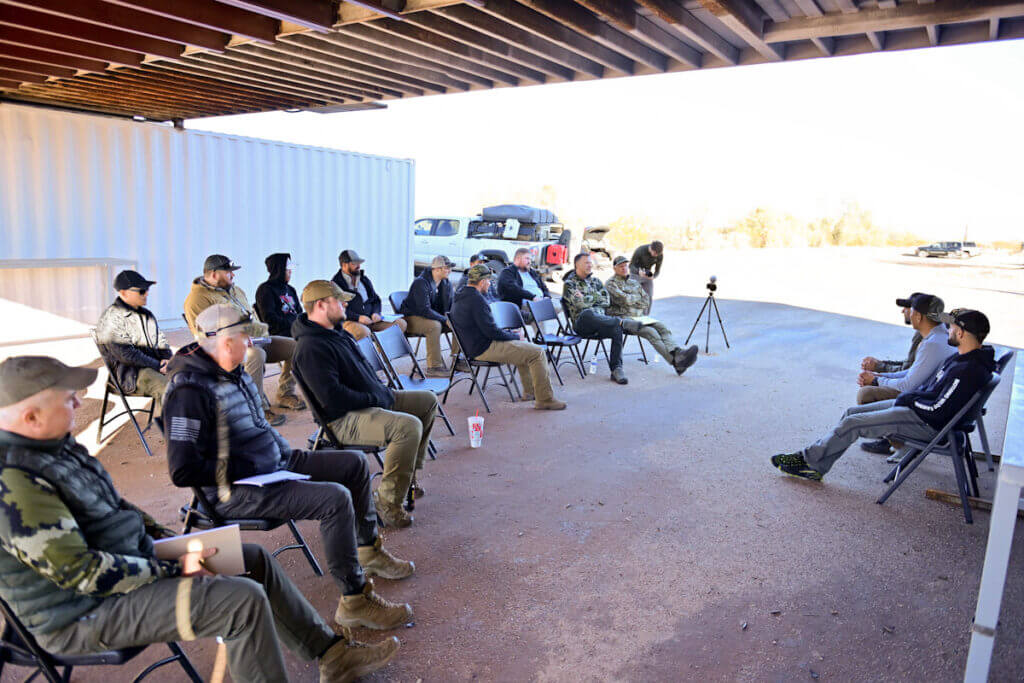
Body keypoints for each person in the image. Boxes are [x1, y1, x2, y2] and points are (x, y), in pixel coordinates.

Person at [0, 355, 399, 683]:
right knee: (240, 603)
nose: (77, 404)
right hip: (79, 612)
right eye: (68, 398)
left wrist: (174, 543)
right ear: (31, 417)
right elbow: (81, 574)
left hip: (130, 567)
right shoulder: (15, 479)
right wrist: (173, 565)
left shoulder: (53, 448)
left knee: (252, 560)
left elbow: (117, 510)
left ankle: (331, 654)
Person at [164, 304, 414, 632]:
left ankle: (368, 551)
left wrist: (274, 456)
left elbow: (255, 428)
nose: (252, 344)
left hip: (274, 465)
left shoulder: (233, 371)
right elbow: (182, 471)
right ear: (225, 343)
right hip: (239, 488)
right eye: (245, 337)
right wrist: (248, 466)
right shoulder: (189, 392)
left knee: (353, 463)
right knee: (334, 499)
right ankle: (355, 600)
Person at [770, 309, 996, 482]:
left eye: (951, 327)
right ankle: (815, 462)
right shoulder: (963, 359)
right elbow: (932, 391)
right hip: (919, 411)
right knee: (851, 412)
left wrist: (909, 399)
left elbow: (938, 409)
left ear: (961, 332)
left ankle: (809, 462)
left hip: (927, 423)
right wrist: (910, 397)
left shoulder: (967, 369)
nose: (947, 330)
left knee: (852, 423)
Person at [292, 281, 439, 529]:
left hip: (369, 401)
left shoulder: (336, 332)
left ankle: (407, 478)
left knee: (426, 401)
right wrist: (375, 398)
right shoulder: (311, 347)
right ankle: (388, 503)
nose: (345, 304)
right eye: (339, 301)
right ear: (320, 305)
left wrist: (380, 393)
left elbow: (362, 376)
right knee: (407, 427)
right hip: (342, 419)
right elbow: (334, 398)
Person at [183, 254, 305, 426]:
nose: (233, 275)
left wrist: (259, 333)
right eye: (228, 272)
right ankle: (256, 409)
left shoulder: (236, 290)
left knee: (297, 346)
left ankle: (285, 393)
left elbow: (251, 318)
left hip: (255, 339)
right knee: (255, 355)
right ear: (213, 274)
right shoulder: (197, 300)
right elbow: (204, 337)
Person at [451, 265, 566, 410]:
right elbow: (492, 332)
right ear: (481, 282)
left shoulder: (460, 294)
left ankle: (531, 393)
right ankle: (545, 399)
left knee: (526, 350)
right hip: (484, 347)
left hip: (475, 345)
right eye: (488, 281)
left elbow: (488, 328)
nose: (490, 284)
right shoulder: (476, 300)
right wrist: (514, 336)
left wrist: (512, 336)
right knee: (537, 353)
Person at [857, 293, 955, 455]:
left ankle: (900, 445)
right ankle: (896, 440)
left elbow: (908, 384)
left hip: (925, 407)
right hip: (931, 398)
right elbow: (911, 370)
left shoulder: (931, 343)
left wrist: (876, 380)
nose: (905, 312)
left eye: (910, 309)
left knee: (866, 394)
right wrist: (880, 377)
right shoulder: (939, 335)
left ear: (918, 316)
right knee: (870, 390)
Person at [95, 269, 173, 414]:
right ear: (123, 293)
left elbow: (161, 342)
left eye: (147, 289)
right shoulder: (111, 318)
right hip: (129, 375)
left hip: (152, 367)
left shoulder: (147, 315)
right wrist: (158, 365)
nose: (147, 293)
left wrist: (167, 359)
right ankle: (180, 433)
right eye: (142, 291)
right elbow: (127, 355)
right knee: (172, 389)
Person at [604, 256, 698, 375]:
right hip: (624, 319)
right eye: (621, 266)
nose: (624, 268)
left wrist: (634, 299)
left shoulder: (633, 282)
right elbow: (626, 300)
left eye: (626, 266)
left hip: (639, 316)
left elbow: (646, 301)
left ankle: (678, 353)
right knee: (651, 332)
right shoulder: (611, 284)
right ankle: (676, 362)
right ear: (614, 268)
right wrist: (636, 298)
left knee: (662, 327)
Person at [562, 253, 640, 385]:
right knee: (588, 313)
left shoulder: (596, 281)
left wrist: (587, 296)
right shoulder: (570, 284)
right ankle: (620, 322)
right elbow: (579, 304)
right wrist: (595, 298)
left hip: (601, 322)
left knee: (616, 329)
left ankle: (616, 369)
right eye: (586, 262)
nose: (590, 265)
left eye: (590, 262)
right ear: (577, 264)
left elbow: (606, 301)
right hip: (582, 324)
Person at [398, 255, 461, 377]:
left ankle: (457, 360)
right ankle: (434, 367)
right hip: (411, 317)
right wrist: (444, 319)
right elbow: (424, 310)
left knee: (456, 322)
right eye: (447, 268)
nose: (450, 271)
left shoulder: (445, 283)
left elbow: (448, 306)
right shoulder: (420, 283)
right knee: (434, 326)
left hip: (428, 316)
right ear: (437, 269)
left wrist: (452, 318)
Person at [858, 292, 925, 403]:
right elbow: (909, 364)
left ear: (918, 314)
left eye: (907, 308)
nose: (903, 311)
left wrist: (878, 373)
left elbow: (908, 370)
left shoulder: (924, 336)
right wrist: (879, 366)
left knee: (866, 393)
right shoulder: (927, 334)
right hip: (916, 386)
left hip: (917, 391)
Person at [332, 249, 408, 340]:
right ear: (344, 265)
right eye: (354, 263)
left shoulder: (364, 279)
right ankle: (366, 353)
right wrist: (358, 318)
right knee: (364, 332)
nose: (359, 266)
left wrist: (376, 313)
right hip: (350, 321)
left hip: (371, 321)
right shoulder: (336, 283)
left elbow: (375, 299)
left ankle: (382, 354)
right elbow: (336, 309)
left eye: (359, 263)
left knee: (401, 324)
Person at [254, 252, 302, 338]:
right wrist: (293, 324)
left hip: (297, 331)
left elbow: (299, 312)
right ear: (279, 269)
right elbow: (270, 320)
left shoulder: (291, 289)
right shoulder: (266, 289)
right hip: (280, 335)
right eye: (288, 268)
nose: (291, 272)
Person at [497, 248, 551, 315]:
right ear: (518, 259)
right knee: (541, 312)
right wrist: (532, 297)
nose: (529, 262)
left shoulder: (532, 272)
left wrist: (547, 296)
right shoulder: (508, 272)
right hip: (522, 305)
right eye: (527, 258)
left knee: (559, 305)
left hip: (540, 301)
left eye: (530, 259)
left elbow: (544, 286)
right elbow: (513, 288)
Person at [629, 241, 664, 315]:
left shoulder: (659, 255)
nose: (655, 256)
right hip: (636, 273)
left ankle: (646, 316)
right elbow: (631, 265)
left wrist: (653, 276)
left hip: (647, 274)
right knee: (633, 294)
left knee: (649, 295)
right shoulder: (640, 250)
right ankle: (631, 315)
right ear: (650, 248)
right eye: (654, 253)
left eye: (657, 254)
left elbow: (657, 271)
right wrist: (638, 272)